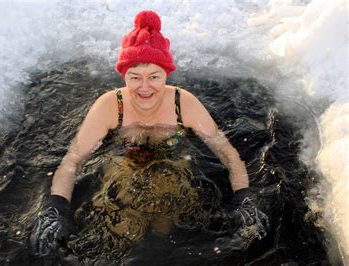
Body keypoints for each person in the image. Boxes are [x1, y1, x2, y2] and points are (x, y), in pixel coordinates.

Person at [30, 10, 269, 257]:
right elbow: (73, 160)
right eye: (135, 78)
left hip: (173, 161)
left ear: (167, 74)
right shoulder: (111, 106)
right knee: (121, 231)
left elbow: (227, 154)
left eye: (154, 77)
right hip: (123, 160)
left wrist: (243, 198)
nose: (144, 87)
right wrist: (56, 207)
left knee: (167, 228)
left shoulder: (183, 103)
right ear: (124, 76)